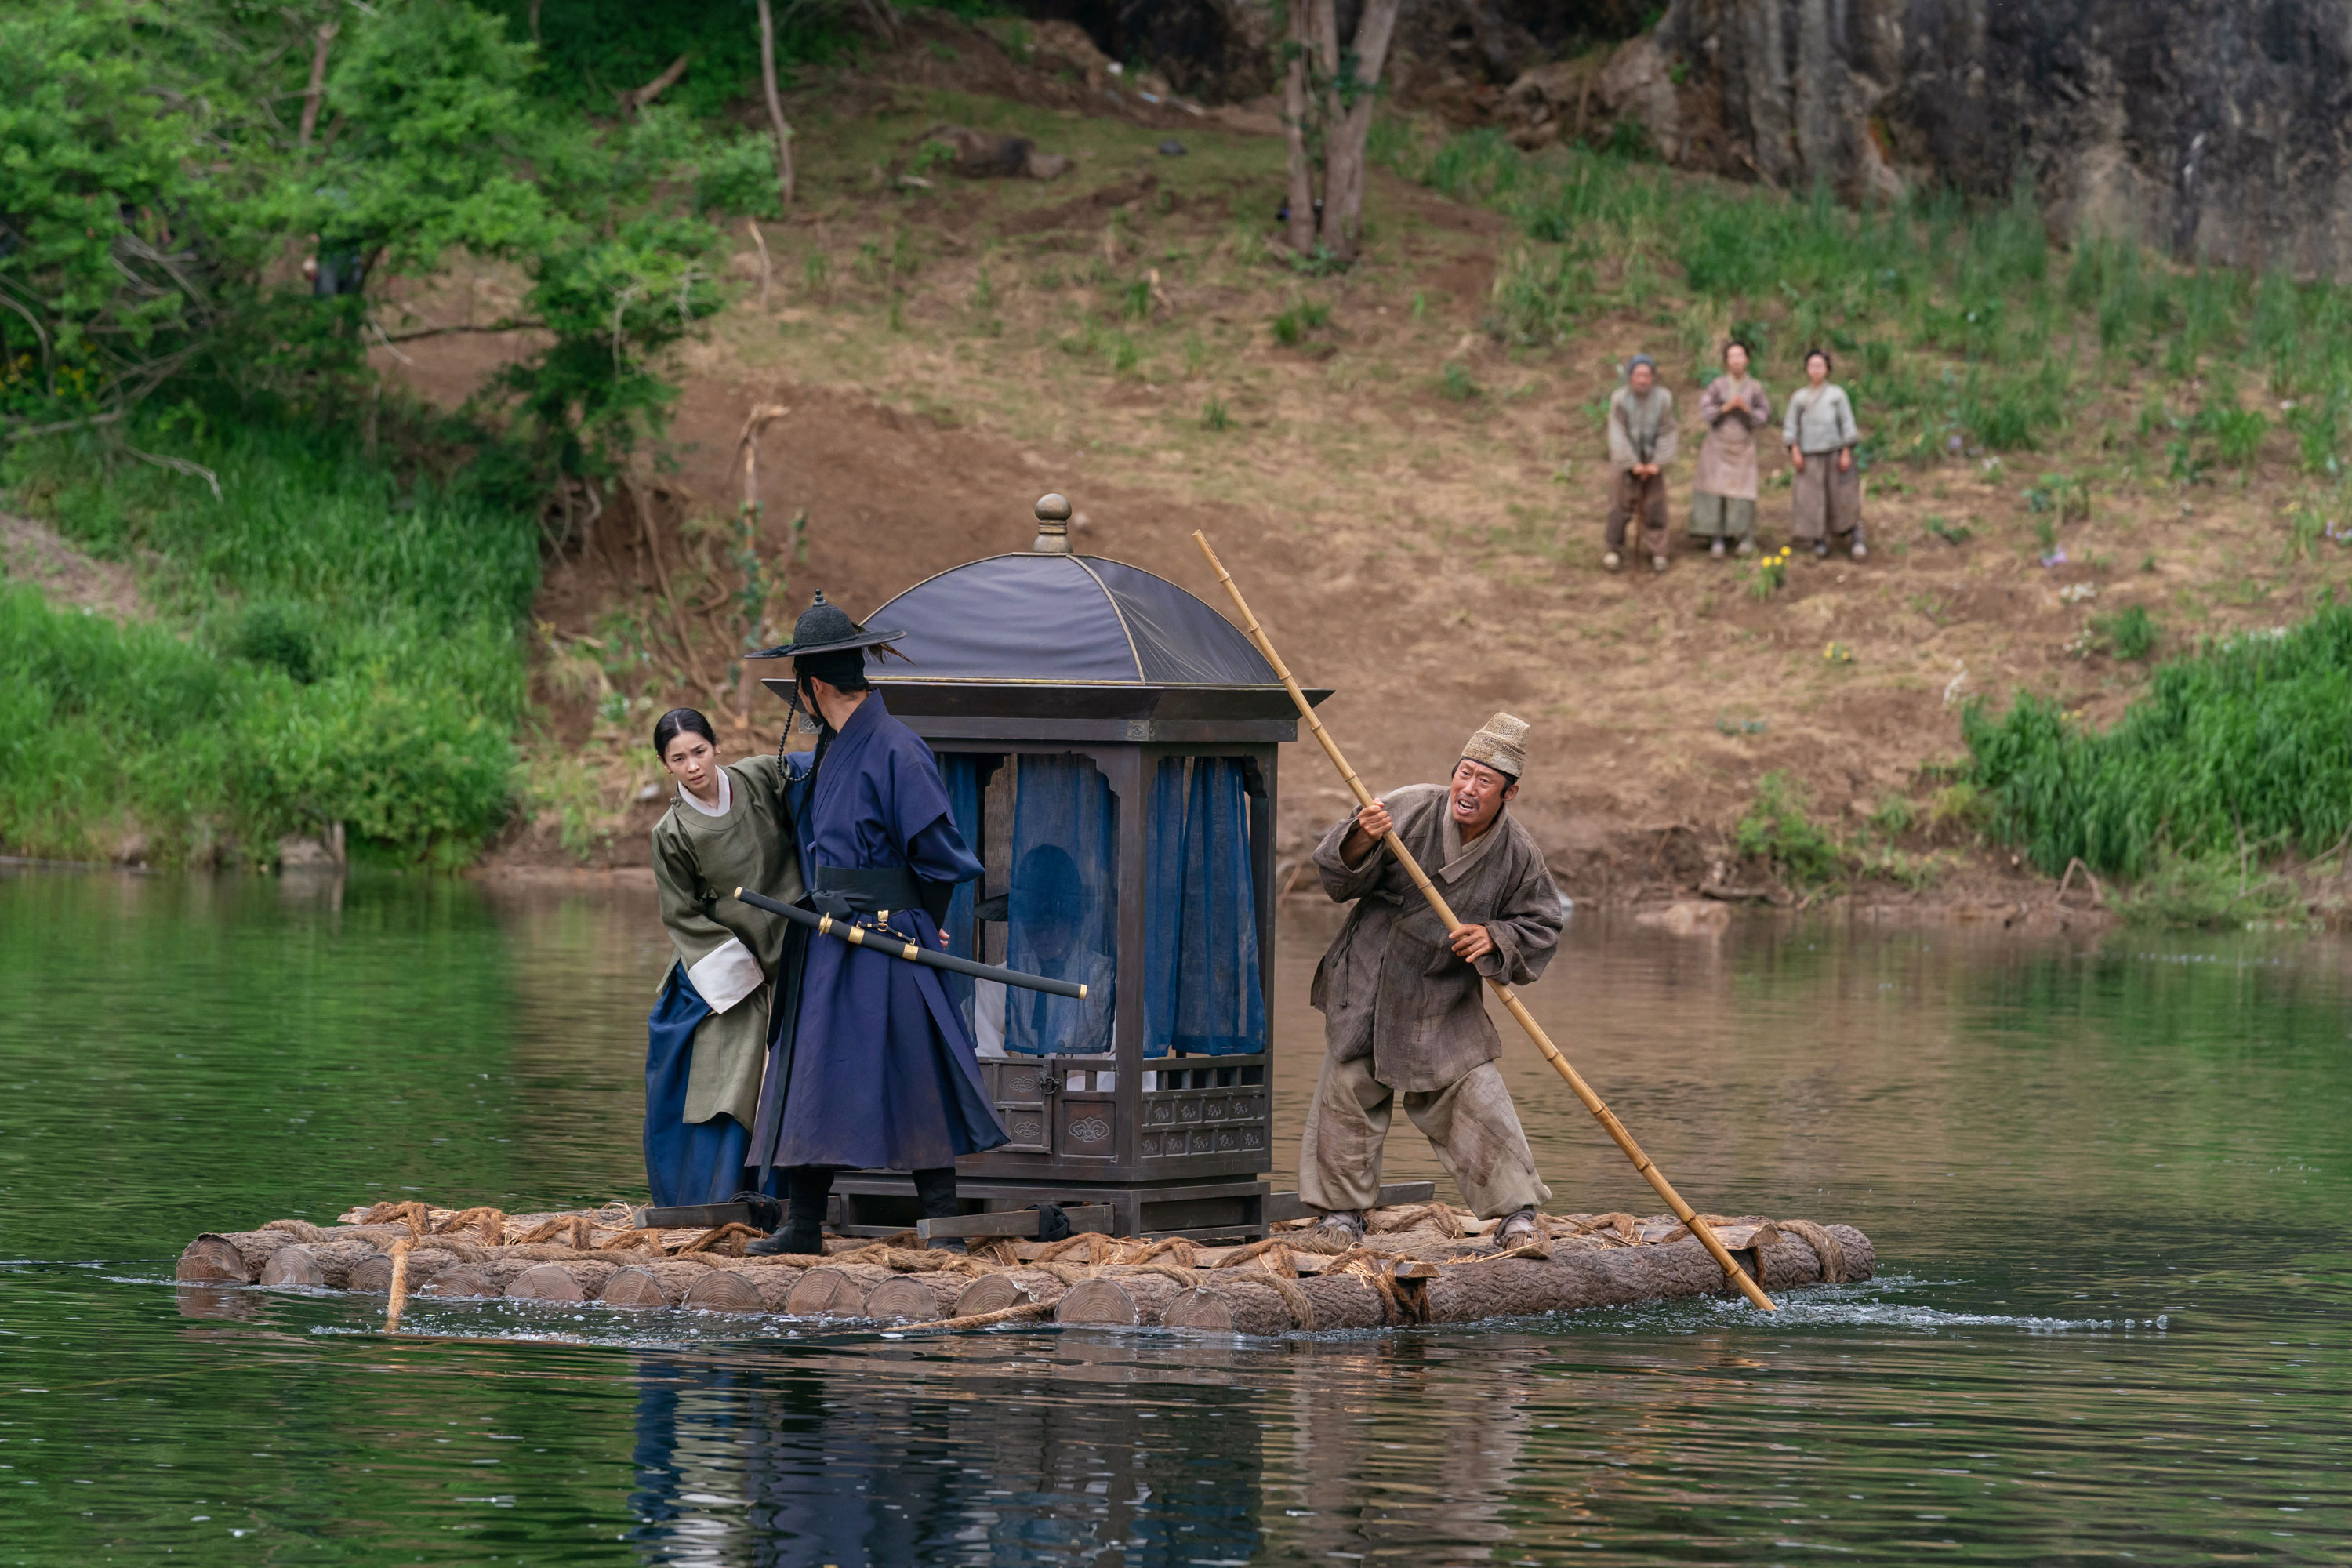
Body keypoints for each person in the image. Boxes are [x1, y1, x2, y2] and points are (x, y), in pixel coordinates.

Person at [746, 593, 1009, 1257]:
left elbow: (941, 859)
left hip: (890, 935)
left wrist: (926, 923)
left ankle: (942, 1225)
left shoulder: (897, 747)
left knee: (917, 1069)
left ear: (812, 685)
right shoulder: (832, 748)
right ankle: (804, 1224)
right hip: (829, 934)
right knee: (814, 1069)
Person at [1298, 713, 1566, 1247]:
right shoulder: (1408, 807)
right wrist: (1361, 837)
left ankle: (1516, 1216)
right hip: (1371, 976)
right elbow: (1336, 876)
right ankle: (1340, 1216)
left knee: (1477, 1096)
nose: (1469, 788)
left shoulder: (1518, 853)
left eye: (1484, 781)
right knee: (1348, 1093)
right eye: (1464, 773)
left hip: (1442, 993)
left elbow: (1541, 923)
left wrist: (1493, 937)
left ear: (1509, 793)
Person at [645, 707, 809, 1207]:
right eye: (678, 759)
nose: (693, 765)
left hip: (800, 941)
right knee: (727, 1073)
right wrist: (743, 973)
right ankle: (714, 1195)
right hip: (730, 961)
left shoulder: (761, 776)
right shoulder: (671, 832)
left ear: (716, 745)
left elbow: (819, 786)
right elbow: (681, 914)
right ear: (664, 764)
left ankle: (797, 1198)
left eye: (699, 751)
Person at [1784, 348, 1864, 561]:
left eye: (1820, 365)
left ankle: (1855, 535)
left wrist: (1846, 451)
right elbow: (1791, 426)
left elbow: (1847, 424)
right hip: (1809, 454)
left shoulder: (1837, 395)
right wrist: (1795, 450)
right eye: (1812, 366)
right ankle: (1819, 539)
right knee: (1811, 498)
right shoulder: (1799, 397)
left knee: (1843, 495)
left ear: (1827, 369)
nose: (1816, 370)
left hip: (1835, 453)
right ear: (1806, 369)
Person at [1692, 340, 1770, 558]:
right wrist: (1724, 408)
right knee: (1715, 489)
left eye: (1740, 356)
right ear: (1726, 361)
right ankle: (1717, 536)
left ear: (1747, 360)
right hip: (1718, 443)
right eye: (1732, 356)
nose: (1736, 361)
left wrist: (1747, 411)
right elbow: (1705, 409)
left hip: (1743, 444)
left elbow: (1764, 414)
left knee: (1743, 490)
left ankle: (1745, 536)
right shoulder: (1717, 385)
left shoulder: (1755, 387)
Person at [1604, 354, 1679, 574]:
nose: (1642, 380)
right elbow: (1617, 432)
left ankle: (1659, 552)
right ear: (1630, 377)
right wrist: (1631, 463)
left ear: (1653, 377)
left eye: (1647, 375)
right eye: (1638, 375)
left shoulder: (1664, 398)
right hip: (1625, 461)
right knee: (1618, 506)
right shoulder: (1619, 399)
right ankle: (1613, 549)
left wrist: (1657, 462)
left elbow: (1668, 430)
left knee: (1655, 506)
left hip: (1652, 461)